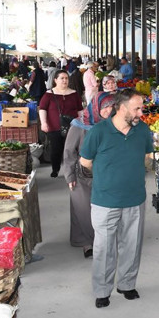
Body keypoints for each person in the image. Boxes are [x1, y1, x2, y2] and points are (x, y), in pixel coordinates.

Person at [79, 89, 154, 308]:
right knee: (104, 248)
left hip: (135, 198)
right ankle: (102, 291)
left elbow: (147, 157)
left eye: (142, 108)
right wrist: (108, 177)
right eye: (136, 108)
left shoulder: (142, 131)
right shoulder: (98, 132)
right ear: (121, 108)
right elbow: (85, 162)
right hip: (105, 201)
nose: (141, 113)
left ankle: (127, 284)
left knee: (132, 245)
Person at [62, 92, 116, 259]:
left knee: (105, 209)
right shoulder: (79, 126)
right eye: (105, 106)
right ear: (96, 107)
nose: (109, 110)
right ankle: (87, 243)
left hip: (105, 173)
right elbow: (69, 152)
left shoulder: (111, 124)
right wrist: (69, 176)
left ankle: (103, 240)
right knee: (83, 209)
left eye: (111, 106)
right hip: (82, 175)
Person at [39, 70, 84, 178]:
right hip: (54, 126)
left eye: (66, 78)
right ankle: (55, 169)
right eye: (62, 78)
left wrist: (83, 123)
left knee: (72, 149)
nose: (64, 80)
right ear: (55, 80)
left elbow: (80, 110)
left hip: (73, 126)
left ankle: (73, 170)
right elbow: (42, 109)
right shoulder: (49, 94)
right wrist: (44, 123)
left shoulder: (74, 93)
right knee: (56, 149)